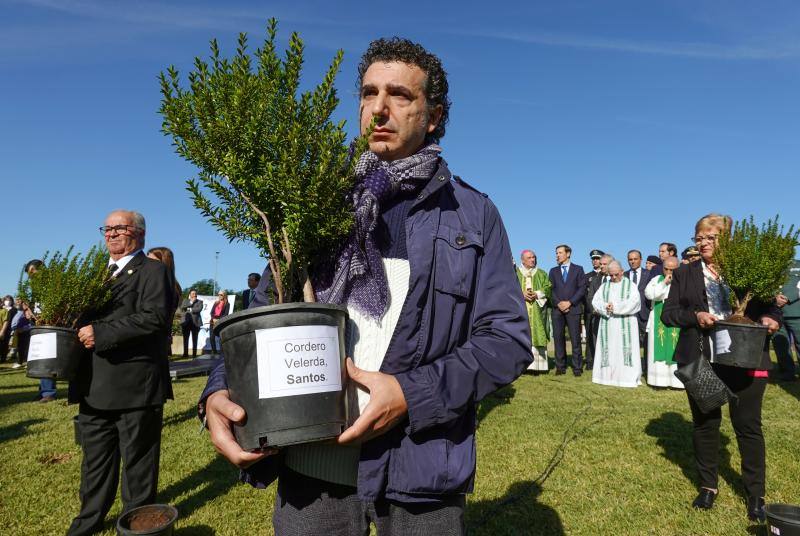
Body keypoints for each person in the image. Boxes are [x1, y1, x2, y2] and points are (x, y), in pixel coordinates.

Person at [198, 37, 531, 535]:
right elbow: (259, 320)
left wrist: (410, 395)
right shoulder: (314, 206)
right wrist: (217, 391)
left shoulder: (472, 214)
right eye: (368, 93)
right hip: (311, 471)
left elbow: (506, 340)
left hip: (420, 473)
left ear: (434, 114)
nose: (379, 109)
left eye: (400, 95)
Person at [661, 213, 781, 522]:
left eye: (709, 237)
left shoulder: (746, 268)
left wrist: (771, 320)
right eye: (698, 238)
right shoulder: (686, 273)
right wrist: (697, 316)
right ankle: (707, 486)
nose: (702, 243)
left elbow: (768, 307)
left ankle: (756, 495)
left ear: (725, 240)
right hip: (702, 357)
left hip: (746, 356)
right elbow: (669, 314)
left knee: (748, 426)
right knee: (705, 422)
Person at [67, 209, 174, 536]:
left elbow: (155, 318)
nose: (111, 234)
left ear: (139, 234)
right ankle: (87, 523)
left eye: (119, 228)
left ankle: (136, 526)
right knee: (95, 465)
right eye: (107, 229)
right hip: (94, 387)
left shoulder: (153, 271)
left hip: (135, 388)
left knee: (138, 469)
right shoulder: (97, 275)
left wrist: (103, 332)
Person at [591, 260, 642, 388]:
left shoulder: (631, 285)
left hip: (627, 323)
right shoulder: (604, 286)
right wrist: (605, 306)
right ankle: (606, 377)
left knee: (624, 350)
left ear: (622, 272)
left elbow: (635, 303)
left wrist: (615, 307)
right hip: (608, 323)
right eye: (611, 275)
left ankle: (627, 378)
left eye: (616, 274)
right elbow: (595, 301)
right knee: (610, 349)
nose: (613, 277)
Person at [644, 256, 683, 388]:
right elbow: (650, 294)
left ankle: (676, 382)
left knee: (676, 348)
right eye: (666, 269)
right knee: (658, 346)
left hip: (677, 320)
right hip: (658, 320)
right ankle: (658, 381)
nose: (669, 273)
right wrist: (664, 283)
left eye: (672, 270)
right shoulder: (656, 280)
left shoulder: (683, 281)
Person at [549, 244, 586, 376]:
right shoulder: (553, 271)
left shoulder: (578, 269)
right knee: (558, 339)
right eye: (556, 253)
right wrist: (559, 303)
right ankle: (560, 367)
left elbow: (582, 289)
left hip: (573, 309)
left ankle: (577, 368)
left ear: (568, 254)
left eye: (560, 252)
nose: (557, 255)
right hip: (557, 310)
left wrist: (569, 302)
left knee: (575, 339)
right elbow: (550, 289)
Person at [23, 259, 56, 402]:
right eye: (29, 274)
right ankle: (43, 390)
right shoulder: (35, 288)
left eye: (33, 272)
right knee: (40, 357)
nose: (31, 276)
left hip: (49, 324)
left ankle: (48, 393)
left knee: (46, 358)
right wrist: (28, 311)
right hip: (38, 324)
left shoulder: (52, 285)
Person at [517, 249, 552, 372]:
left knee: (537, 335)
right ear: (522, 260)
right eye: (529, 258)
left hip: (537, 312)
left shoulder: (542, 273)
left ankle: (537, 367)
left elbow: (548, 288)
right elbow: (508, 289)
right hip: (519, 312)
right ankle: (520, 366)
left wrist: (537, 294)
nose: (533, 260)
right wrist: (521, 294)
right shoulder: (515, 273)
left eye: (534, 257)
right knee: (519, 336)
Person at [147, 246, 182, 357]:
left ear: (164, 263)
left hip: (156, 339)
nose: (147, 265)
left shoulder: (169, 287)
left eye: (152, 261)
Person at [772, 259, 800, 381]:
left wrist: (788, 298)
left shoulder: (798, 264)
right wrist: (774, 298)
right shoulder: (771, 263)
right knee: (780, 345)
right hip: (775, 312)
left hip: (796, 311)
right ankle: (787, 373)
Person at [583, 249, 604, 369]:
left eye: (597, 258)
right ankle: (590, 362)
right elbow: (585, 295)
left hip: (604, 311)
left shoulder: (607, 275)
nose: (595, 261)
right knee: (590, 336)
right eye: (593, 259)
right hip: (590, 311)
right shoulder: (587, 276)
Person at [179, 289, 204, 357]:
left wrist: (189, 308)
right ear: (190, 294)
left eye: (195, 294)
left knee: (195, 339)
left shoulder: (200, 302)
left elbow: (199, 309)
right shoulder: (185, 301)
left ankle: (194, 354)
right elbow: (182, 308)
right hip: (186, 322)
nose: (194, 295)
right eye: (193, 293)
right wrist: (191, 303)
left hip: (195, 323)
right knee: (185, 339)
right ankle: (185, 354)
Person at [10, 297, 32, 369]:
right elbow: (15, 322)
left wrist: (24, 329)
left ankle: (27, 363)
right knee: (20, 348)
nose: (17, 303)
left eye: (19, 302)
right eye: (16, 302)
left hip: (25, 332)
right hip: (18, 332)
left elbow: (31, 323)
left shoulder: (27, 312)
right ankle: (20, 361)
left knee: (26, 348)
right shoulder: (18, 311)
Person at [209, 290, 230, 355]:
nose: (219, 296)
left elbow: (225, 314)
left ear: (224, 295)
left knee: (221, 337)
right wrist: (213, 319)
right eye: (218, 294)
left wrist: (218, 320)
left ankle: (222, 352)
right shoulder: (216, 303)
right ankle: (214, 352)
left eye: (221, 295)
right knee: (212, 337)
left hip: (220, 322)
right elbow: (211, 312)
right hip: (213, 321)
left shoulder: (227, 304)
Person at [0, 295, 17, 362]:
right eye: (6, 300)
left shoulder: (14, 309)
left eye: (9, 300)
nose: (8, 301)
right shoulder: (2, 309)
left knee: (5, 343)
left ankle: (3, 358)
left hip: (9, 328)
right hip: (2, 327)